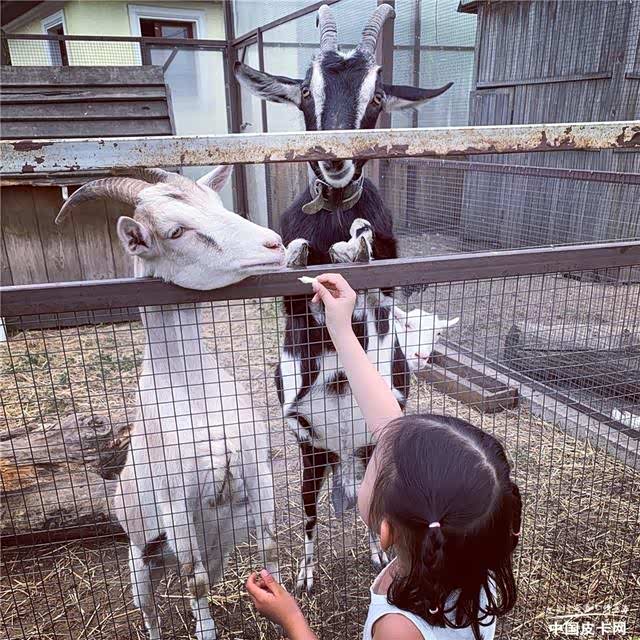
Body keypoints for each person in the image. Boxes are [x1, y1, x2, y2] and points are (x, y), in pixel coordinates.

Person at [246, 274, 522, 640]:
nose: (378, 448)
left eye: (374, 466)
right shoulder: (474, 556)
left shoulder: (399, 628)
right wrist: (341, 327)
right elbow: (388, 422)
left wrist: (292, 619)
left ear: (385, 529)